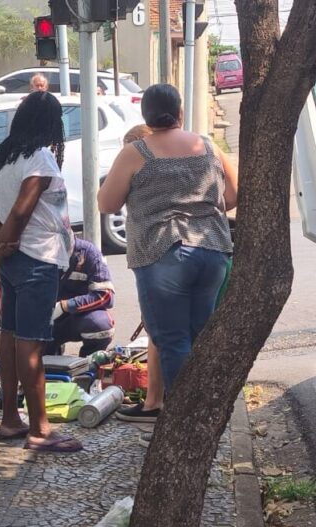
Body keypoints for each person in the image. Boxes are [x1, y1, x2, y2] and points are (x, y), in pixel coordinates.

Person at [98, 84, 237, 405]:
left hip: (162, 254)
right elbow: (232, 194)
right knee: (198, 337)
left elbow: (106, 203)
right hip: (212, 251)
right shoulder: (207, 146)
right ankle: (206, 411)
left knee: (172, 341)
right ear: (180, 113)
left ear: (145, 115)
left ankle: (185, 420)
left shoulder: (136, 152)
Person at [0, 90, 82, 453]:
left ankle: (9, 420)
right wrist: (0, 250)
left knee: (10, 334)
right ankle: (39, 430)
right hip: (38, 259)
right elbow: (20, 212)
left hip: (20, 259)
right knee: (31, 342)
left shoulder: (1, 160)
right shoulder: (41, 158)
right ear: (51, 125)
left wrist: (4, 245)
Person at [112, 124, 166, 424]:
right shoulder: (186, 154)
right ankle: (156, 401)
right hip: (185, 254)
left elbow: (106, 202)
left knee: (162, 334)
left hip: (155, 255)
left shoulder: (145, 161)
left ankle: (159, 403)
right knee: (160, 334)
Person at [0, 237, 116, 357]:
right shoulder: (28, 256)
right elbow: (3, 300)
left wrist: (65, 306)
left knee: (100, 324)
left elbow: (106, 295)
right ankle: (49, 352)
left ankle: (88, 366)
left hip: (77, 318)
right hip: (40, 323)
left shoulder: (87, 252)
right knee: (31, 360)